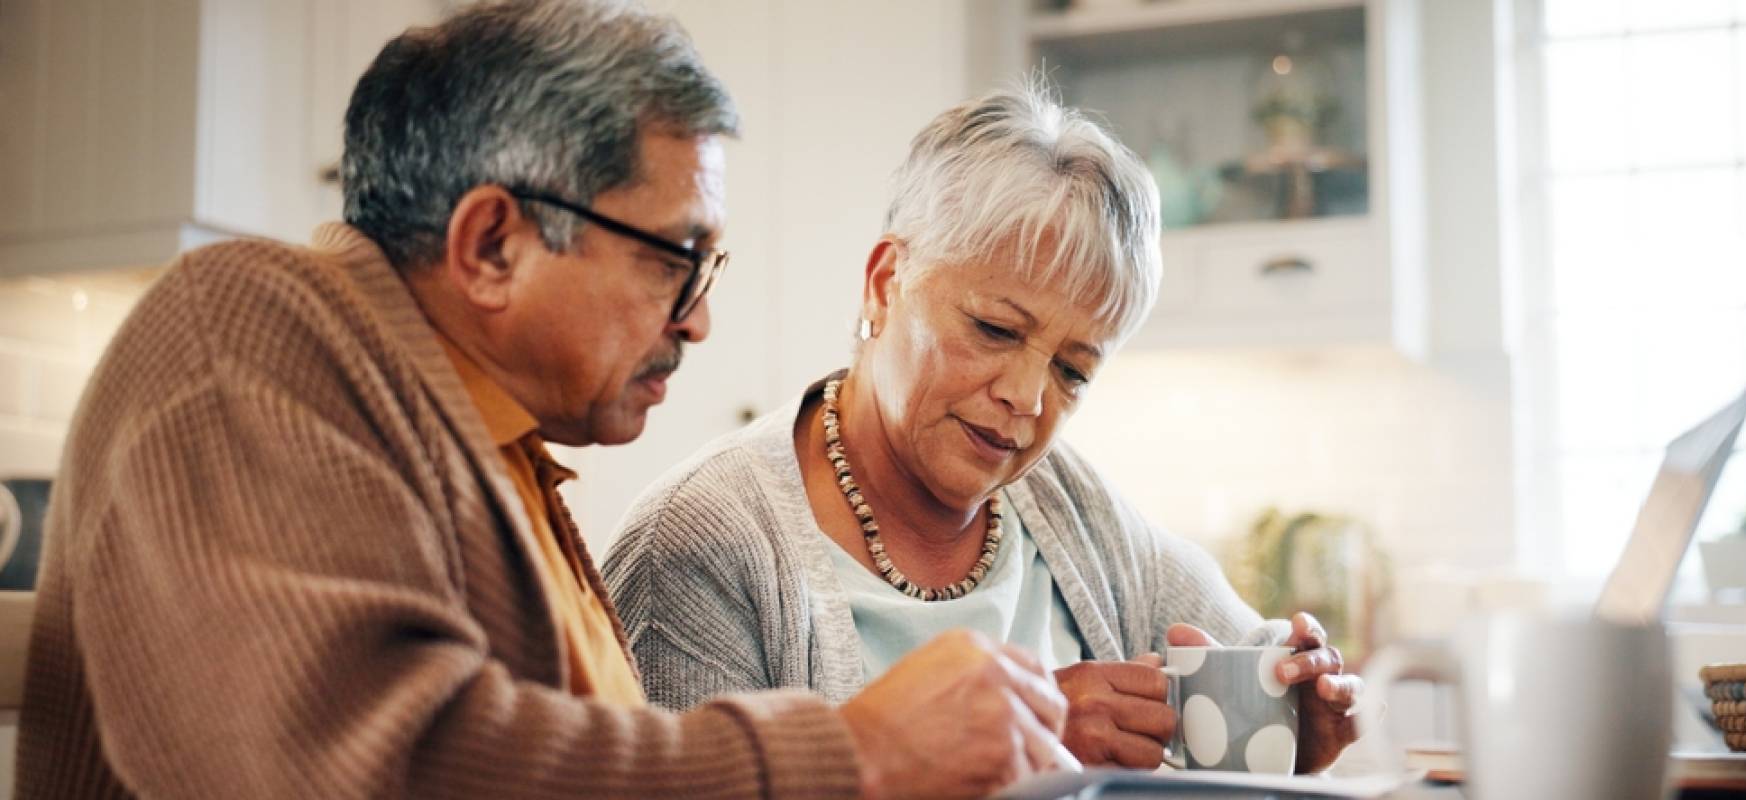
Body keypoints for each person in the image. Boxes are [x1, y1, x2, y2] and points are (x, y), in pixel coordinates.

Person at [14, 3, 1074, 797]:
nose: (698, 318)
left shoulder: (503, 450)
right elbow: (382, 763)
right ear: (492, 244)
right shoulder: (247, 333)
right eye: (676, 259)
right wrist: (858, 751)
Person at [604, 84, 1364, 773]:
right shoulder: (699, 546)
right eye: (996, 330)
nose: (1028, 397)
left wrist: (1297, 706)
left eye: (1072, 370)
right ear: (885, 283)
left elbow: (1245, 651)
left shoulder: (1069, 507)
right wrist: (1028, 747)